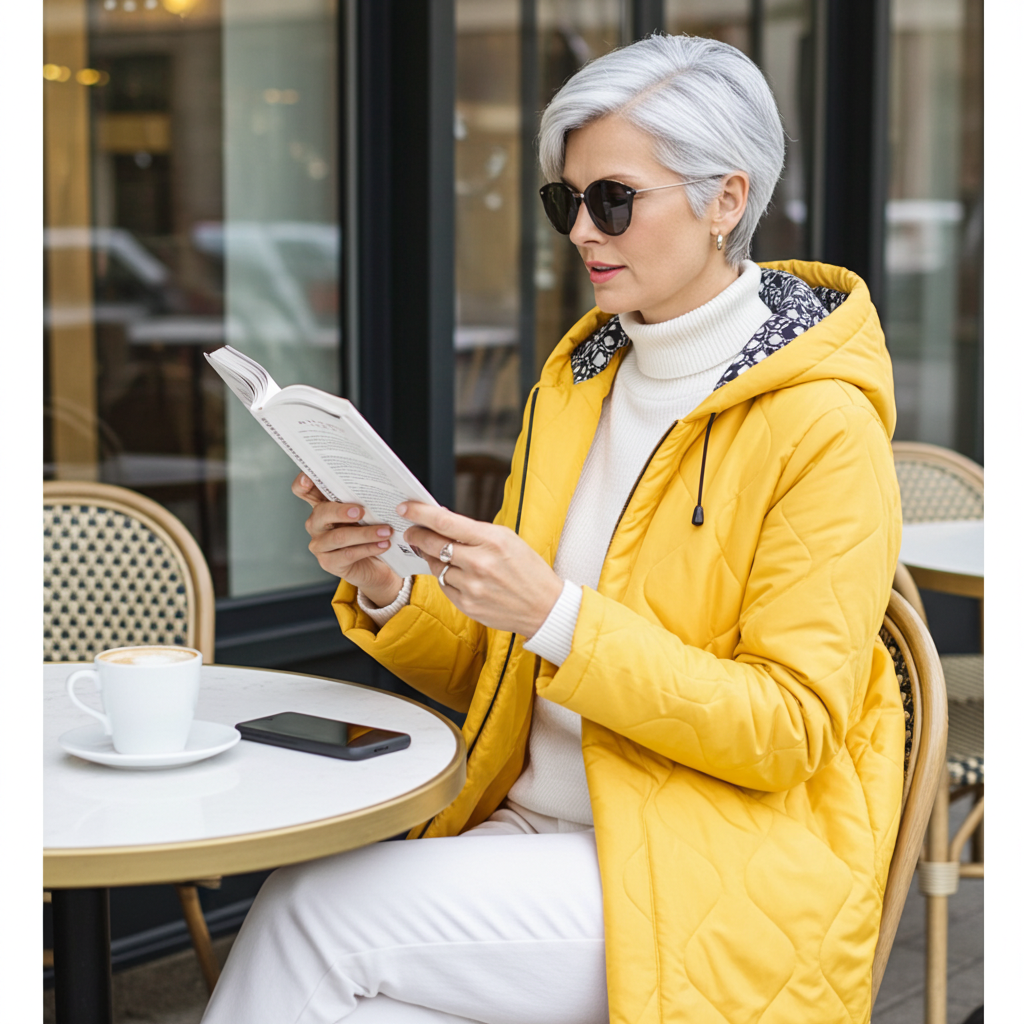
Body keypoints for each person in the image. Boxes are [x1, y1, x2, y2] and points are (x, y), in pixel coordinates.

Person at [203, 32, 904, 1024]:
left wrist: (560, 616)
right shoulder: (581, 384)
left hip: (709, 866)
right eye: (562, 201)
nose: (579, 230)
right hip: (535, 829)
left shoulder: (819, 424)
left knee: (313, 917)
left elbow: (785, 732)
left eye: (611, 198)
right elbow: (505, 672)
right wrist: (392, 586)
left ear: (725, 200)